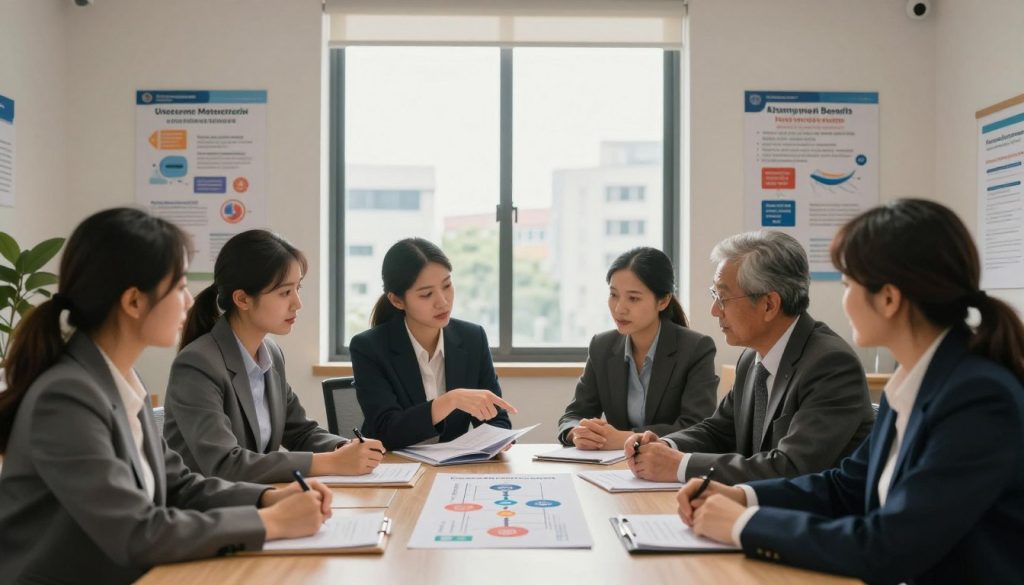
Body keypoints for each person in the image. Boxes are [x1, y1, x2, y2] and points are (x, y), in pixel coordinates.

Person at [677, 199, 1024, 584]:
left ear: (889, 299)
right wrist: (743, 496)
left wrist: (745, 524)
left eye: (847, 284)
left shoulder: (978, 398)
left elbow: (888, 547)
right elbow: (844, 487)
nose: (842, 300)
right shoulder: (911, 383)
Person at [0, 208, 332, 584]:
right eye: (178, 286)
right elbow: (136, 532)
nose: (190, 301)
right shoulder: (65, 398)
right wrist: (268, 522)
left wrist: (266, 499)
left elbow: (179, 484)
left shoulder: (120, 379)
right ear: (134, 302)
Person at [626, 231, 874, 485]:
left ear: (769, 305)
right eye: (715, 295)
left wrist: (680, 466)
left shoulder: (830, 365)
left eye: (723, 298)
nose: (714, 310)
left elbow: (791, 468)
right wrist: (666, 444)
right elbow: (719, 431)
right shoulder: (751, 359)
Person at [163, 230, 383, 483]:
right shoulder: (198, 364)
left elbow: (300, 432)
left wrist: (345, 448)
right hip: (205, 512)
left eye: (297, 288)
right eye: (284, 292)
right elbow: (225, 464)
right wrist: (331, 462)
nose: (297, 303)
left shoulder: (271, 353)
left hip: (255, 499)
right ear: (243, 299)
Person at [350, 238, 517, 451]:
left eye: (447, 286)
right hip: (390, 468)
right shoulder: (369, 347)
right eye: (426, 294)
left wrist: (499, 440)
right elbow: (386, 431)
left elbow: (496, 419)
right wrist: (449, 401)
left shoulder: (472, 338)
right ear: (397, 300)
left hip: (451, 470)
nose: (443, 301)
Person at [557, 247, 718, 449]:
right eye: (614, 295)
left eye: (633, 298)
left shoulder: (696, 348)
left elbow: (697, 426)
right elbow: (574, 415)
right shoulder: (602, 346)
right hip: (614, 468)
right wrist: (576, 433)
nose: (619, 308)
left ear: (663, 301)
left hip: (669, 468)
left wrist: (627, 438)